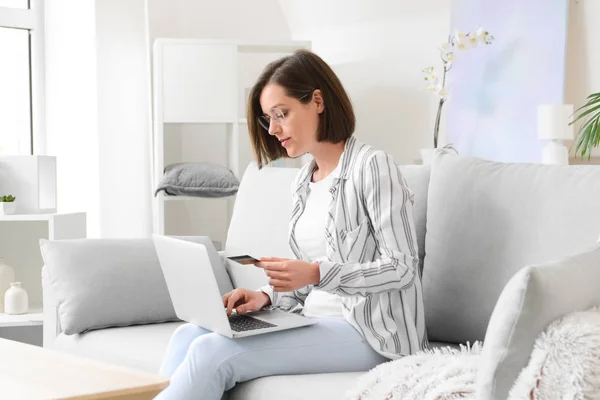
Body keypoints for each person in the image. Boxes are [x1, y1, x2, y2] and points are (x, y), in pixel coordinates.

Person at [156, 49, 427, 400]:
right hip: (313, 318)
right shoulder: (303, 180)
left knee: (214, 352)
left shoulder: (372, 166)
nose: (273, 129)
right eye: (268, 118)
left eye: (281, 114)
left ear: (317, 101)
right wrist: (266, 296)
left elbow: (402, 268)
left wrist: (316, 273)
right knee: (189, 335)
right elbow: (305, 282)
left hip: (371, 333)